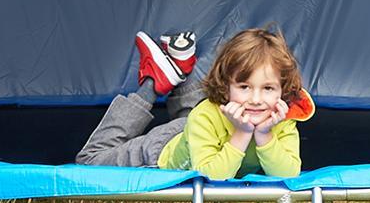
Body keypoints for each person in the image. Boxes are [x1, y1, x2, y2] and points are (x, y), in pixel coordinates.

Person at [75, 26, 312, 178]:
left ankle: (179, 67)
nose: (257, 100)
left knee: (195, 121)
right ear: (226, 86)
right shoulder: (205, 117)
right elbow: (212, 176)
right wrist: (241, 135)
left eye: (268, 88)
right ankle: (151, 86)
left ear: (282, 90)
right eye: (244, 87)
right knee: (89, 162)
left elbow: (288, 174)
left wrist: (265, 136)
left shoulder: (282, 119)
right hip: (163, 151)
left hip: (197, 133)